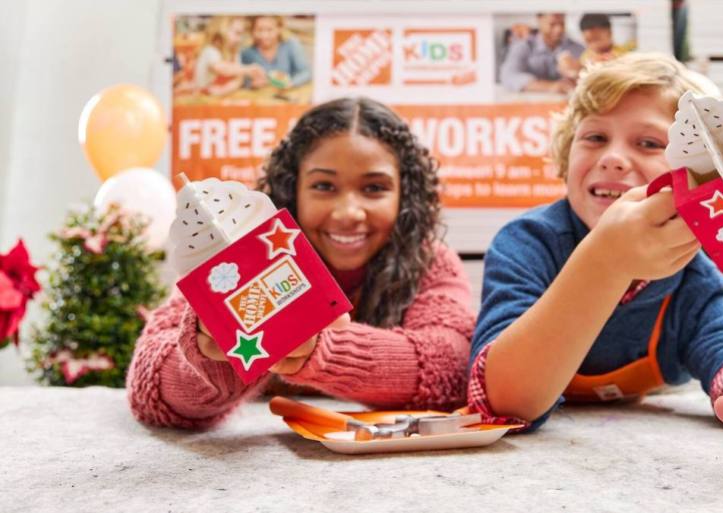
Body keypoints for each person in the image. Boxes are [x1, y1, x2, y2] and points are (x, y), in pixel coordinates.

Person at [468, 53, 723, 491]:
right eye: (594, 137)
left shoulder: (692, 278)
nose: (612, 158)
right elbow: (504, 402)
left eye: (649, 144)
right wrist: (606, 261)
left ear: (702, 174)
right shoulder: (527, 244)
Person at [127, 97, 475, 429]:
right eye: (323, 185)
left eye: (374, 188)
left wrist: (320, 348)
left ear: (406, 195)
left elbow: (453, 366)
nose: (348, 212)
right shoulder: (236, 254)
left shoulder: (429, 262)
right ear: (292, 189)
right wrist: (213, 358)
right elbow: (148, 387)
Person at [499, 13, 584, 94]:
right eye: (552, 24)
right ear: (539, 20)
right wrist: (550, 86)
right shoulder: (524, 46)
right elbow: (509, 76)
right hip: (530, 102)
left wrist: (577, 72)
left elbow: (587, 78)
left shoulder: (577, 48)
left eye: (562, 24)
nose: (559, 29)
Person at [193, 16, 266, 96]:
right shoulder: (210, 50)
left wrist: (223, 91)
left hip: (222, 96)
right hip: (202, 97)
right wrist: (248, 69)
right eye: (237, 33)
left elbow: (239, 79)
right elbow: (221, 68)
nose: (240, 39)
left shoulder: (234, 52)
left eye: (241, 35)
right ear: (223, 31)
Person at [240, 16, 311, 89]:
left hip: (289, 91)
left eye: (269, 30)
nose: (264, 35)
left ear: (279, 29)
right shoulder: (246, 52)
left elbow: (306, 72)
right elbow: (242, 79)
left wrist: (291, 83)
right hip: (262, 93)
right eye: (259, 30)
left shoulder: (290, 44)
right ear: (252, 31)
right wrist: (251, 84)